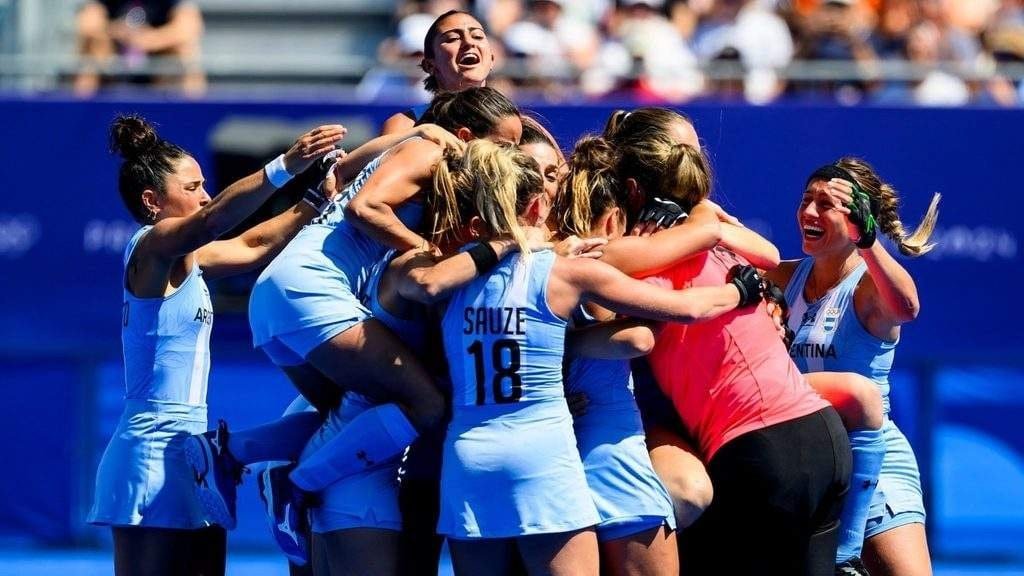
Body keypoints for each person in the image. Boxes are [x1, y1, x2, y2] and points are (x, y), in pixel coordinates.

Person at [415, 139, 766, 575]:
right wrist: (740, 291)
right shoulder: (568, 271)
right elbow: (688, 310)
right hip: (540, 453)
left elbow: (423, 284)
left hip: (468, 458)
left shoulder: (449, 272)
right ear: (537, 208)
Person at [186, 88, 522, 537]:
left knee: (353, 415)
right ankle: (292, 482)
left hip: (279, 294)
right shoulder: (429, 150)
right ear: (464, 135)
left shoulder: (420, 147)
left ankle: (232, 451)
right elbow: (366, 208)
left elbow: (341, 172)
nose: (512, 155)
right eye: (505, 144)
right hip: (311, 288)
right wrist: (428, 250)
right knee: (426, 402)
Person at [86, 114, 346, 576]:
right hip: (151, 450)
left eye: (205, 185)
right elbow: (214, 218)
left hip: (194, 451)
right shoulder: (151, 246)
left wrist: (314, 199)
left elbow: (252, 244)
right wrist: (286, 165)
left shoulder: (188, 257)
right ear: (152, 201)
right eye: (193, 187)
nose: (204, 195)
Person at [600, 107, 854, 575]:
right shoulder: (721, 242)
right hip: (824, 440)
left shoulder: (647, 263)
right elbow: (768, 252)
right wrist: (706, 223)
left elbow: (627, 309)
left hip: (761, 454)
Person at [767, 159, 940, 576]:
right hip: (806, 459)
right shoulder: (781, 276)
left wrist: (869, 242)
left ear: (858, 219)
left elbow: (908, 307)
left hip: (872, 463)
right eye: (806, 199)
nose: (809, 212)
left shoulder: (867, 286)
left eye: (825, 204)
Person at [381, 10, 496, 134]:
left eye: (477, 36)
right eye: (453, 38)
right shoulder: (404, 127)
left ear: (491, 60)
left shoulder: (516, 124)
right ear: (430, 65)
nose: (469, 43)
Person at [74, 0, 206, 96]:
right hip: (113, 57)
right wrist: (118, 31)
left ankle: (194, 112)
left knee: (184, 50)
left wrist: (150, 39)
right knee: (95, 46)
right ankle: (81, 112)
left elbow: (189, 27)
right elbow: (88, 24)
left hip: (157, 59)